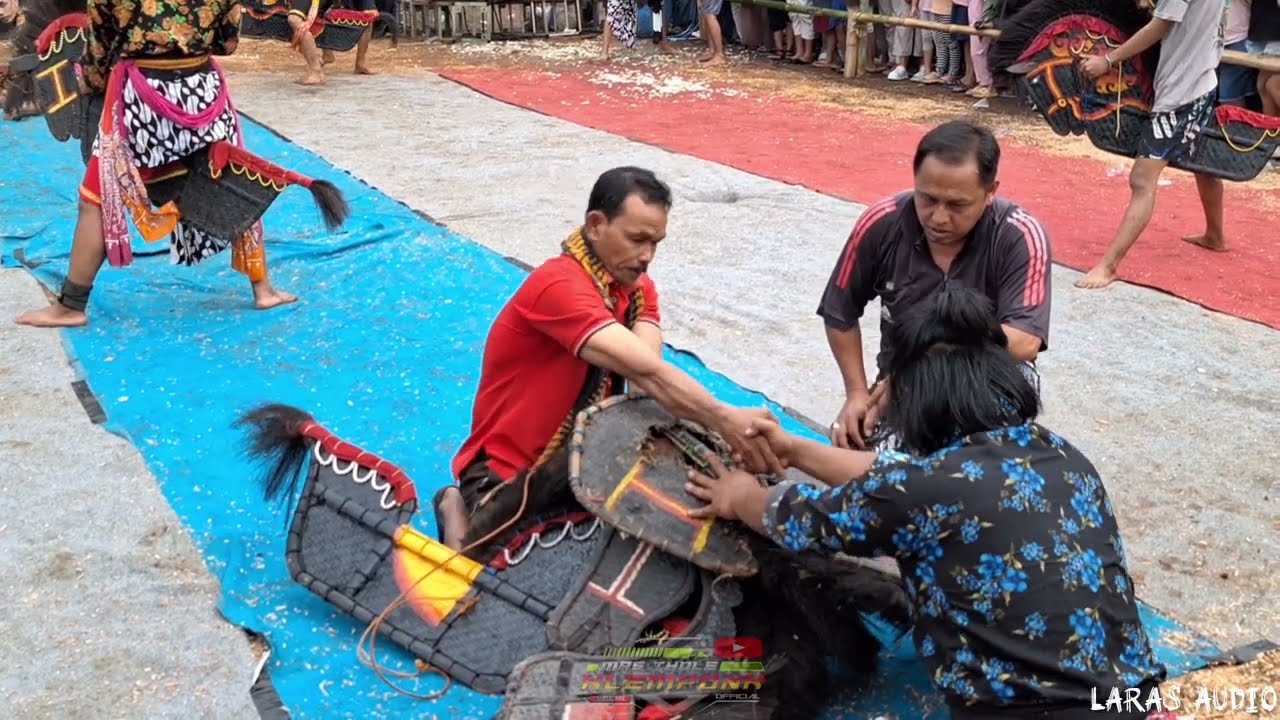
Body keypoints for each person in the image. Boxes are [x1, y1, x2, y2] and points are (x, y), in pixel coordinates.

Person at [684, 287, 1168, 720]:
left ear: (915, 393)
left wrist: (740, 495)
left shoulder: (923, 489)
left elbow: (803, 519)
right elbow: (901, 482)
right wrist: (794, 449)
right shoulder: (1061, 453)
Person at [434, 167, 783, 549]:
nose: (648, 255)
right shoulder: (557, 286)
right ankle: (459, 511)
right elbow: (647, 371)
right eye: (637, 239)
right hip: (510, 471)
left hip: (586, 459)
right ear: (596, 225)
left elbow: (645, 375)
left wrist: (724, 429)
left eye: (656, 243)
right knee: (486, 574)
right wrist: (725, 419)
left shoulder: (635, 288)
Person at [15, 0, 301, 328]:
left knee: (95, 198)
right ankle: (263, 290)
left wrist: (90, 84)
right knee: (227, 180)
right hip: (201, 91)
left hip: (140, 94)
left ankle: (71, 306)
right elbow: (228, 42)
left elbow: (98, 51)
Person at [817, 120, 1052, 451]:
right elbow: (839, 313)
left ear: (990, 193)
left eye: (957, 205)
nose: (939, 218)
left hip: (986, 382)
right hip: (899, 384)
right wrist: (856, 394)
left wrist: (915, 366)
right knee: (857, 458)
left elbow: (1025, 341)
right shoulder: (881, 222)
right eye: (926, 198)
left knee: (973, 473)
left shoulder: (1019, 235)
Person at [1074, 0, 1232, 289]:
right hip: (1202, 81)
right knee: (1203, 164)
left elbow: (1160, 25)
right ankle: (1215, 235)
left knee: (1142, 179)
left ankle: (1108, 266)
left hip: (1183, 91)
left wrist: (1107, 60)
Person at [1248, 0, 1280, 116]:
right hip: (1269, 30)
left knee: (1272, 85)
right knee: (1264, 85)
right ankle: (1270, 129)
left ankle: (1270, 129)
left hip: (1274, 33)